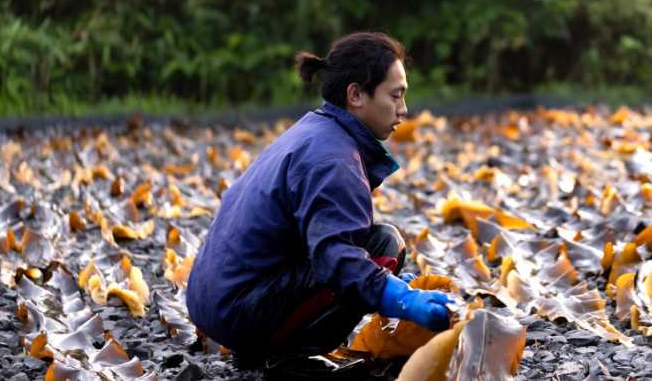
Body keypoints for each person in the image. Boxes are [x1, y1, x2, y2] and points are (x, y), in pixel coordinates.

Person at [186, 32, 453, 365]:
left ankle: (258, 350)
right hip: (238, 312)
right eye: (395, 96)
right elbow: (336, 259)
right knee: (384, 246)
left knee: (371, 256)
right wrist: (401, 298)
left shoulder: (314, 128)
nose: (403, 109)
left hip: (214, 302)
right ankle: (288, 359)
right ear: (355, 94)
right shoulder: (334, 160)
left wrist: (391, 284)